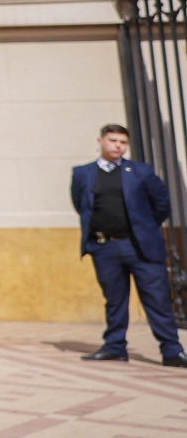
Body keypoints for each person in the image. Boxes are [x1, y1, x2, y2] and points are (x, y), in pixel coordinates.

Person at [72, 124, 184, 367]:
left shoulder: (141, 171)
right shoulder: (83, 173)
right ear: (100, 141)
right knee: (114, 299)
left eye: (123, 142)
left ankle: (172, 351)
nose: (118, 146)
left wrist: (144, 228)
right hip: (105, 248)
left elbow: (161, 203)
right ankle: (115, 347)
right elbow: (81, 205)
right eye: (112, 140)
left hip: (140, 247)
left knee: (157, 299)